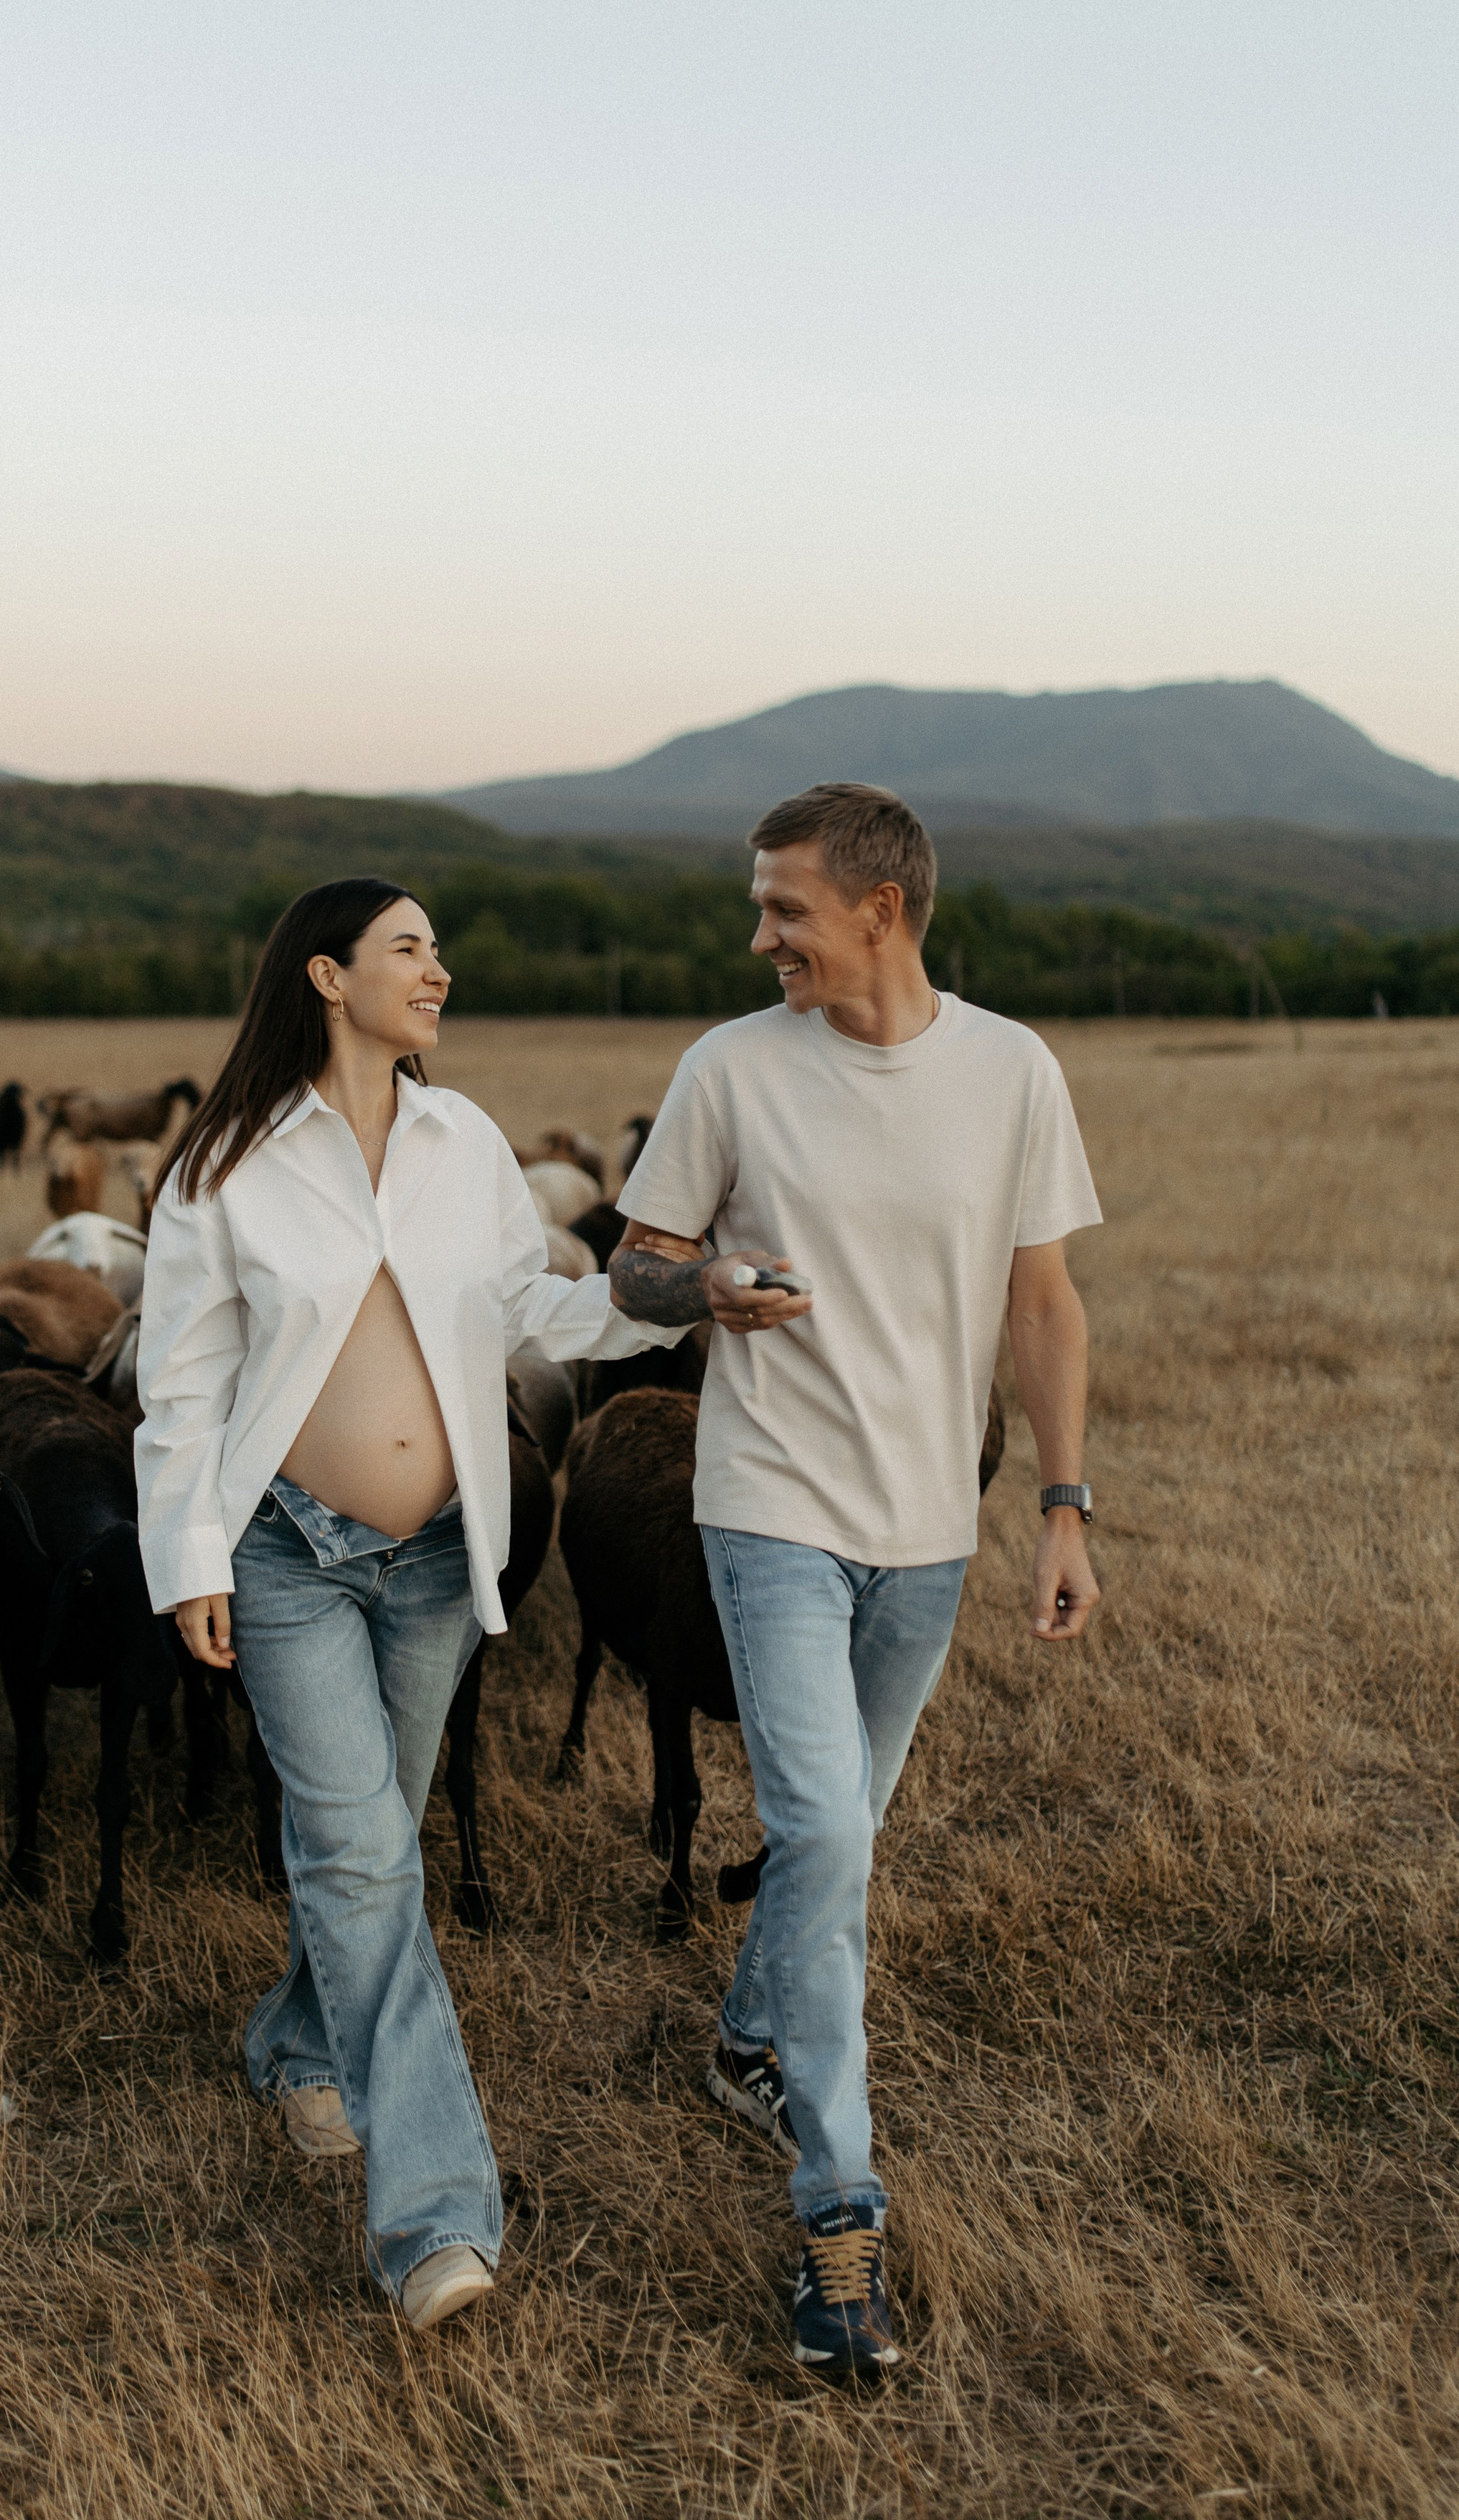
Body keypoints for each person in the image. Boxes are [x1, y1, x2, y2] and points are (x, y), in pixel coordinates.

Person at [135, 876, 685, 2332]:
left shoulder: (463, 1140)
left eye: (437, 948)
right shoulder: (226, 1164)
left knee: (368, 1841)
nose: (436, 970)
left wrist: (679, 1304)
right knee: (367, 1861)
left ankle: (293, 2040)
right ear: (326, 975)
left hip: (443, 1554)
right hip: (289, 1554)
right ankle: (434, 2218)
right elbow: (181, 1382)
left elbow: (535, 1309)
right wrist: (188, 1553)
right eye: (407, 949)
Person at [608, 781, 1102, 2379]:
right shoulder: (730, 1066)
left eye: (784, 910)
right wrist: (703, 1286)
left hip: (927, 1530)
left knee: (841, 1837)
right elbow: (628, 1258)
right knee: (821, 1830)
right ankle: (837, 2225)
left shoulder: (1010, 1069)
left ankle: (748, 2032)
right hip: (767, 1505)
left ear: (878, 909)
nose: (760, 938)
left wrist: (1061, 1506)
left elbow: (1042, 1304)